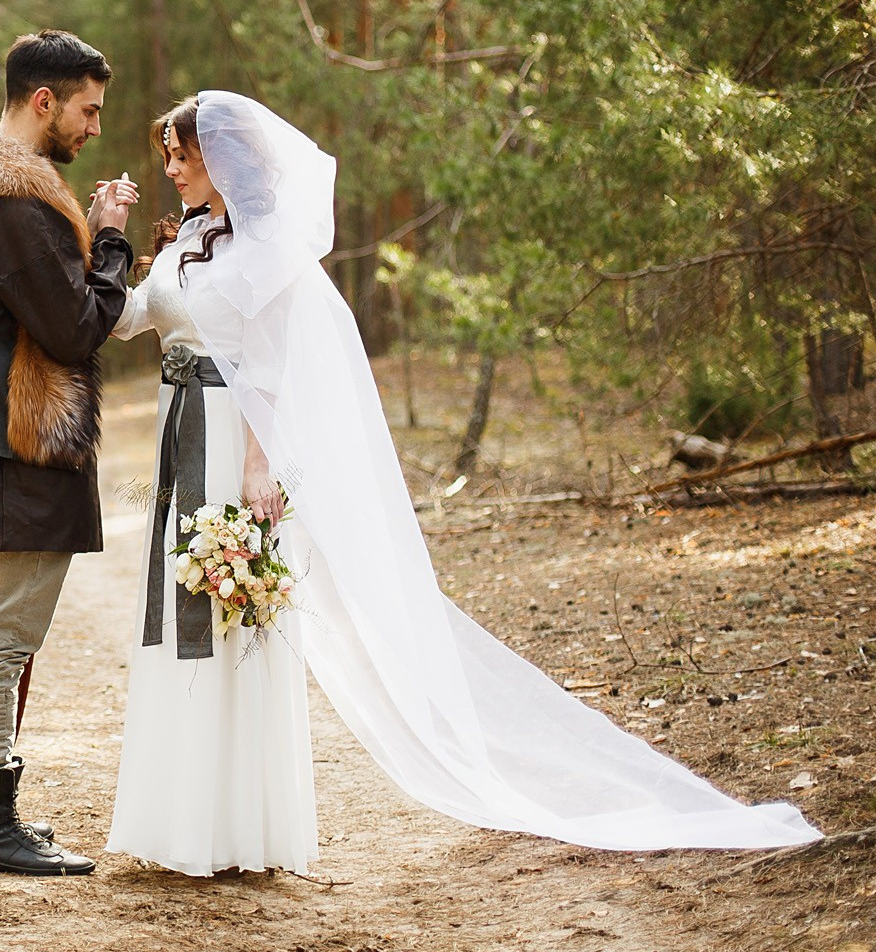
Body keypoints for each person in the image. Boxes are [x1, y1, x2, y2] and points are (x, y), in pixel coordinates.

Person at [106, 90, 820, 876]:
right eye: (168, 154)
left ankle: (237, 828)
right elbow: (132, 317)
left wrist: (259, 466)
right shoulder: (186, 242)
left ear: (228, 157)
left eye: (187, 153)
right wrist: (103, 233)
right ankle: (178, 821)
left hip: (232, 446)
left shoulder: (267, 249)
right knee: (181, 626)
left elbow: (272, 367)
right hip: (182, 448)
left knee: (237, 625)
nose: (172, 168)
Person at [0, 30, 140, 876]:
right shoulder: (13, 203)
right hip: (22, 437)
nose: (92, 128)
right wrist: (112, 240)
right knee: (4, 634)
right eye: (87, 109)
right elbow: (78, 325)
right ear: (42, 100)